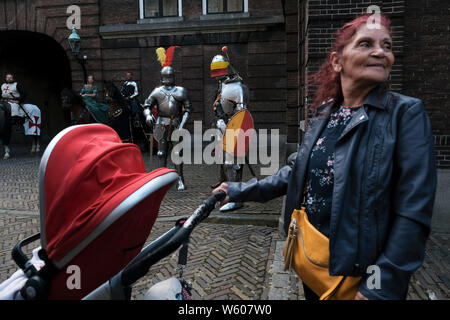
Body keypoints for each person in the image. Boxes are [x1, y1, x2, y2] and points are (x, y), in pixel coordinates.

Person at [213, 14, 437, 300]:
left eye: (387, 46)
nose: (381, 52)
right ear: (337, 61)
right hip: (314, 259)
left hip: (362, 279)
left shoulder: (405, 115)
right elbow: (295, 173)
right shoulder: (325, 114)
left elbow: (413, 212)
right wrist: (238, 191)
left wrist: (378, 289)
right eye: (366, 44)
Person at [143, 46, 191, 190]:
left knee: (177, 152)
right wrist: (148, 115)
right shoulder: (157, 91)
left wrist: (182, 124)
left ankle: (180, 178)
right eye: (166, 77)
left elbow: (188, 109)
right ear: (162, 77)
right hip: (160, 123)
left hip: (176, 122)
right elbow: (147, 105)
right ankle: (161, 179)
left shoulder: (181, 91)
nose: (168, 79)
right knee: (161, 153)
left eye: (170, 76)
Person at [210, 53, 249, 212]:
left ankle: (236, 199)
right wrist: (219, 120)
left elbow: (242, 114)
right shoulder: (223, 84)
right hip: (222, 128)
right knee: (224, 162)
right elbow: (220, 107)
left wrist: (229, 125)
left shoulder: (237, 87)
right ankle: (227, 193)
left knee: (232, 164)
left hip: (234, 129)